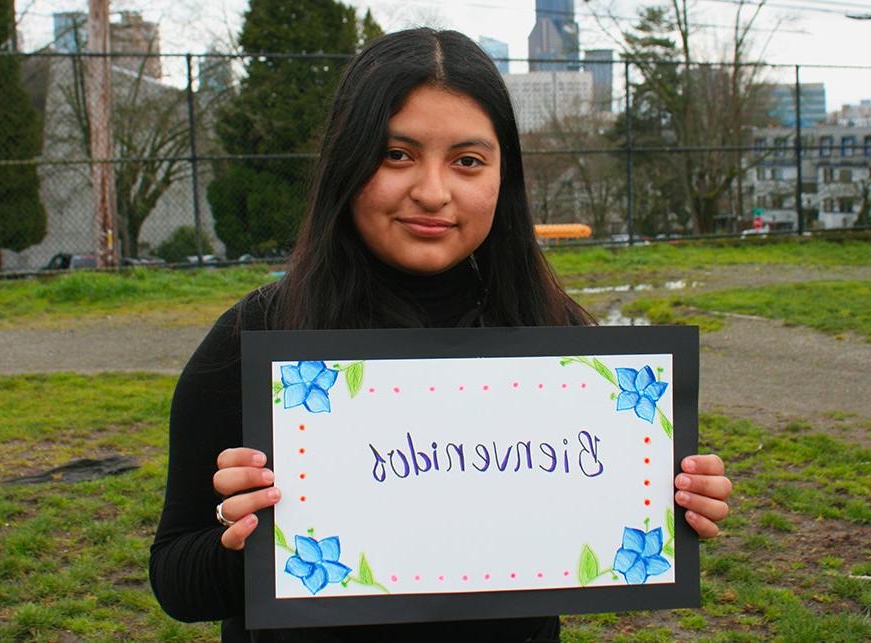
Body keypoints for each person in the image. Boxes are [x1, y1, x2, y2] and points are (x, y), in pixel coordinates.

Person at [150, 28, 732, 643]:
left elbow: (608, 519)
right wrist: (238, 538)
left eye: (468, 161)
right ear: (347, 162)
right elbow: (175, 581)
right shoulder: (257, 336)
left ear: (503, 179)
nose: (432, 192)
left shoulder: (563, 343)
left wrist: (679, 499)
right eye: (396, 154)